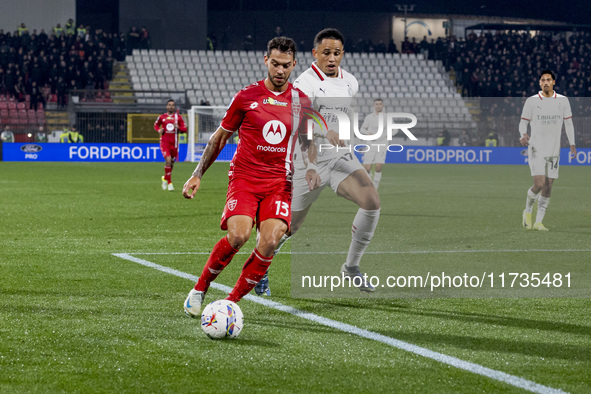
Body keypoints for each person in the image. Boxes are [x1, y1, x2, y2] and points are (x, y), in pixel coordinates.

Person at [182, 36, 320, 317]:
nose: (280, 71)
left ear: (294, 64)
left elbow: (308, 142)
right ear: (266, 60)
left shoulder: (301, 101)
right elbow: (219, 139)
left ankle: (230, 303)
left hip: (280, 181)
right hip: (245, 177)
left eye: (286, 66)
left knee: (269, 242)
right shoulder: (247, 96)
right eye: (275, 64)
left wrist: (313, 167)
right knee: (239, 236)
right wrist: (197, 174)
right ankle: (199, 289)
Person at [256, 28, 381, 295]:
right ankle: (260, 267)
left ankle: (351, 267)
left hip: (337, 156)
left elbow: (343, 113)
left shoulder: (351, 81)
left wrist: (345, 133)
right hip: (307, 159)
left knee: (372, 201)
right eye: (326, 53)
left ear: (343, 54)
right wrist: (314, 160)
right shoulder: (305, 84)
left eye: (337, 53)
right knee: (291, 226)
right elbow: (302, 125)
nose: (332, 58)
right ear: (315, 54)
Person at [519, 70, 576, 231]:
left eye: (548, 80)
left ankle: (539, 222)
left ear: (553, 82)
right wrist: (522, 134)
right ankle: (528, 211)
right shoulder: (532, 101)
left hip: (554, 150)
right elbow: (523, 123)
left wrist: (572, 143)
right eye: (543, 80)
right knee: (539, 183)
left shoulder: (563, 101)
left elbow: (569, 124)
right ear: (539, 83)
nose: (545, 82)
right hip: (536, 148)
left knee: (549, 185)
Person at [154, 99, 187, 191]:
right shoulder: (162, 117)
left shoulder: (178, 118)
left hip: (174, 144)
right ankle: (170, 183)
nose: (171, 106)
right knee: (168, 160)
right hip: (164, 142)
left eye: (172, 105)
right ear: (166, 106)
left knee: (171, 164)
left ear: (174, 107)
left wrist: (179, 127)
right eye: (169, 105)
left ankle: (165, 178)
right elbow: (156, 125)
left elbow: (185, 129)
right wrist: (159, 130)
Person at [359, 98, 387, 189]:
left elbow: (394, 130)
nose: (378, 106)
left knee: (378, 167)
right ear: (374, 105)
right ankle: (369, 180)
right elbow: (362, 129)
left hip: (382, 144)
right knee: (367, 168)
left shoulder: (386, 117)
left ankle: (375, 186)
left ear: (382, 105)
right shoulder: (369, 117)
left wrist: (381, 136)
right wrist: (367, 133)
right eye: (376, 104)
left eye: (380, 104)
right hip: (370, 144)